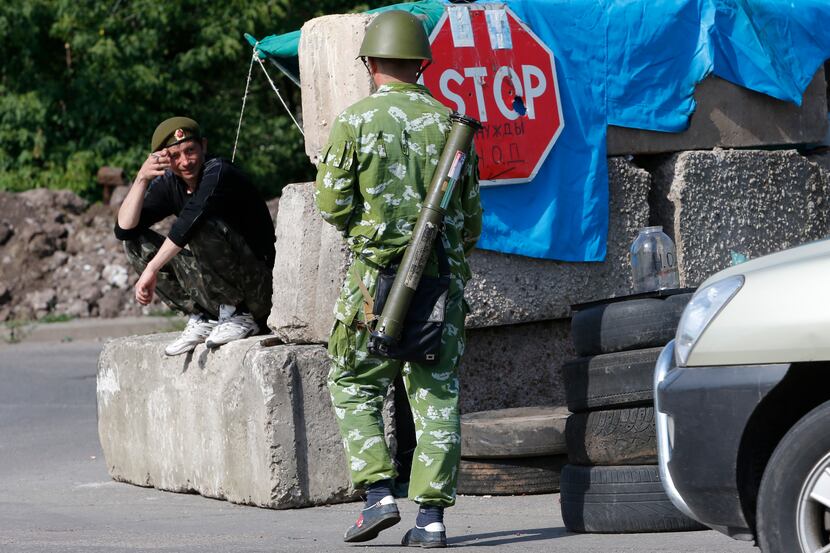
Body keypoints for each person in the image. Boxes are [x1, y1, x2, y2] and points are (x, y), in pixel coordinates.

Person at [315, 10, 482, 548]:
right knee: (435, 397)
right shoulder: (452, 124)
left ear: (370, 61)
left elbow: (332, 205)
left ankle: (377, 496)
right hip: (440, 281)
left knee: (354, 383)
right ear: (421, 64)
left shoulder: (356, 121)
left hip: (372, 284)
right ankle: (431, 521)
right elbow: (471, 218)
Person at [114, 117, 275, 356]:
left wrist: (151, 269)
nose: (185, 161)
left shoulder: (219, 172)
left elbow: (190, 221)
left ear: (204, 146)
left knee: (199, 223)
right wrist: (142, 179)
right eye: (175, 155)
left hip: (260, 287)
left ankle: (239, 315)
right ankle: (205, 316)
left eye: (191, 151)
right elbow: (125, 230)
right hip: (218, 294)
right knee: (135, 242)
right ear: (162, 158)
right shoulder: (170, 184)